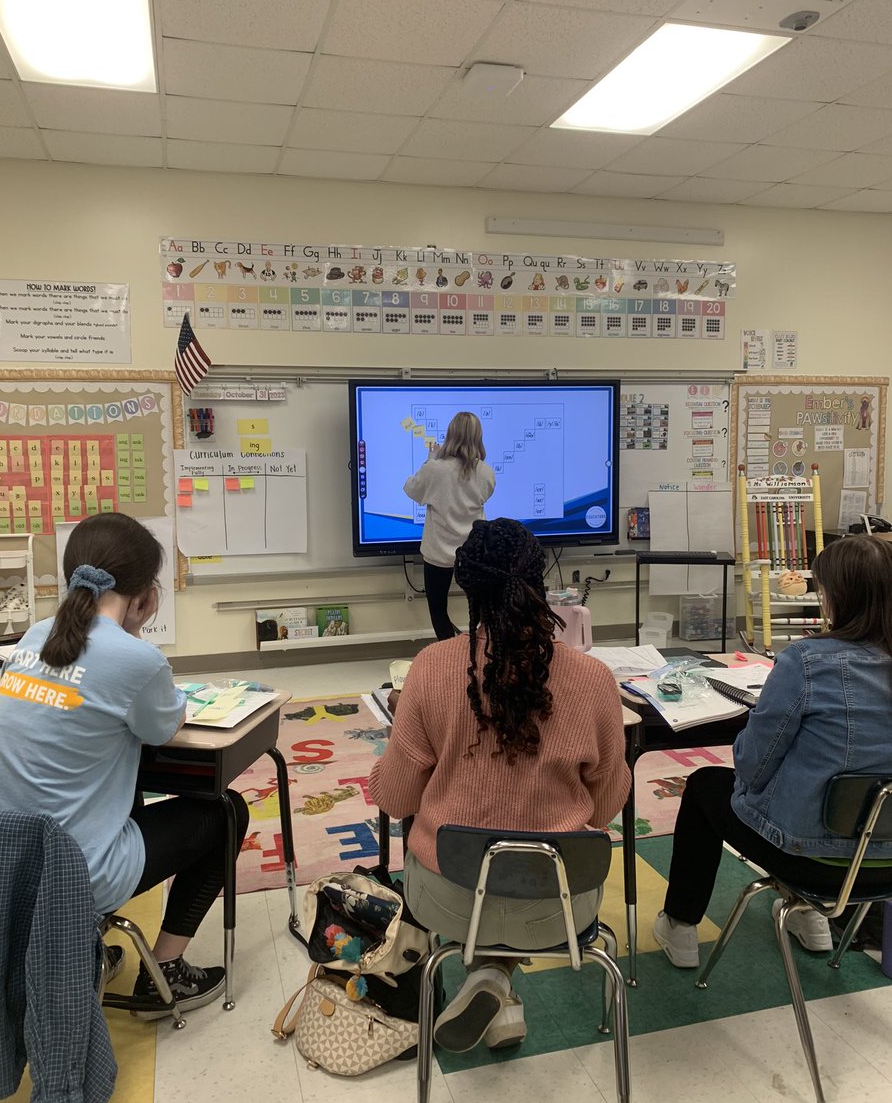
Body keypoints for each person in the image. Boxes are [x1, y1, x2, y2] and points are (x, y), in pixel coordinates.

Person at [369, 519, 631, 1052]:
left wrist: (393, 756)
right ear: (539, 581)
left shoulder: (432, 668)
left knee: (460, 848)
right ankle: (497, 981)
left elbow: (394, 797)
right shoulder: (593, 679)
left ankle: (491, 977)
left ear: (467, 588)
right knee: (522, 861)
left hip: (449, 899)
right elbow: (604, 809)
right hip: (560, 902)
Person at [0, 513, 249, 1017]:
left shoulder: (31, 637)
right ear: (146, 596)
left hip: (8, 865)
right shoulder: (138, 660)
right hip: (77, 873)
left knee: (116, 788)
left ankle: (86, 947)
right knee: (227, 812)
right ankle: (165, 974)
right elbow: (164, 727)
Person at [654, 534, 892, 969]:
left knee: (708, 785)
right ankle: (809, 918)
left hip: (810, 857)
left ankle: (680, 925)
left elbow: (751, 766)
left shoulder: (806, 661)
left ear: (835, 596)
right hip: (885, 864)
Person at [403, 411, 495, 640]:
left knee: (438, 610)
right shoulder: (485, 471)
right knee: (482, 610)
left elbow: (411, 489)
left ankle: (449, 655)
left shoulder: (435, 468)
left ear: (451, 434)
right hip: (474, 553)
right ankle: (483, 652)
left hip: (438, 554)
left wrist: (431, 460)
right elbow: (486, 493)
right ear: (478, 437)